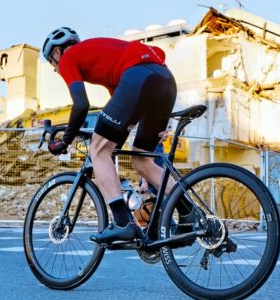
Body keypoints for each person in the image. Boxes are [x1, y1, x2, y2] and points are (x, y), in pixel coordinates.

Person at [42, 27, 178, 243]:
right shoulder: (105, 60)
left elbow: (81, 105)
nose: (56, 69)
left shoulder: (69, 58)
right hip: (165, 80)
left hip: (139, 78)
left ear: (57, 52)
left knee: (98, 151)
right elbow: (120, 114)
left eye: (52, 63)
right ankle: (191, 214)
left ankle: (123, 223)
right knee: (141, 159)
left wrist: (65, 140)